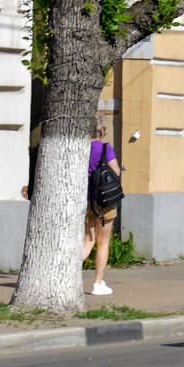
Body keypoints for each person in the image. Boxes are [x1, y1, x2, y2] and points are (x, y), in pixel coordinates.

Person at [83, 121, 121, 295]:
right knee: (103, 242)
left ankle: (66, 274)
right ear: (103, 130)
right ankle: (98, 284)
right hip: (105, 201)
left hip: (87, 200)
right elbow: (116, 172)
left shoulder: (81, 147)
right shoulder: (105, 149)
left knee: (87, 241)